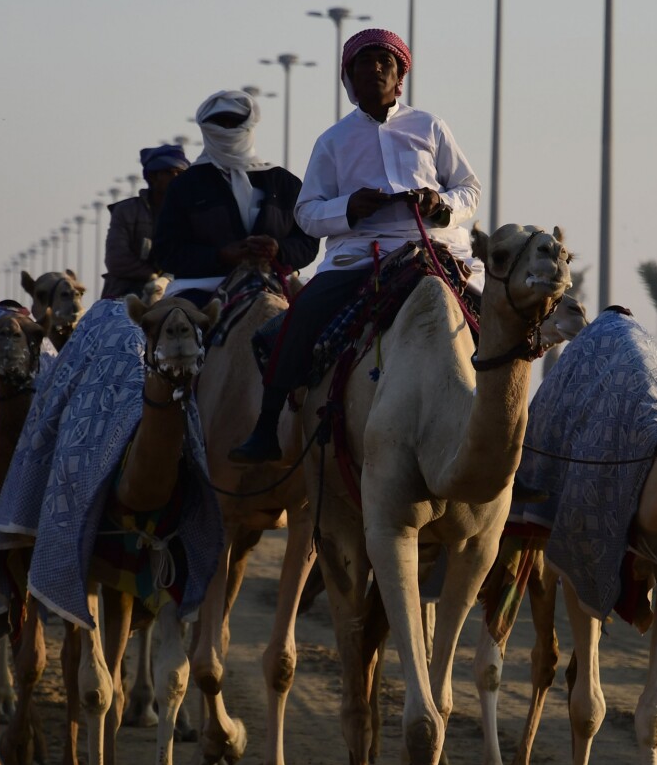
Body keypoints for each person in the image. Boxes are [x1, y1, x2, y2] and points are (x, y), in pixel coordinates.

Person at [229, 28, 482, 463]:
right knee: (302, 316)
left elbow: (469, 189)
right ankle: (267, 427)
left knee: (504, 323)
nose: (375, 69)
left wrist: (439, 203)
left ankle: (517, 446)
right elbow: (307, 212)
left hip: (433, 249)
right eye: (363, 62)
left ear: (400, 73)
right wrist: (350, 207)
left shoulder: (430, 126)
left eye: (385, 61)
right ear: (348, 77)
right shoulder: (332, 141)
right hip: (361, 255)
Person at [152, 90, 318, 309]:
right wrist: (219, 256)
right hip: (202, 290)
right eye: (220, 123)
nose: (228, 129)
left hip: (276, 284)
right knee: (175, 330)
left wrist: (278, 250)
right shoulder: (185, 186)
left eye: (235, 122)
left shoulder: (283, 183)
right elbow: (166, 250)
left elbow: (308, 241)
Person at [101, 143, 189, 299]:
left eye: (180, 172)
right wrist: (152, 276)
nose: (176, 177)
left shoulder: (191, 211)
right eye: (169, 172)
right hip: (125, 294)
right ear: (152, 177)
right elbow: (116, 259)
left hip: (177, 291)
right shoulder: (126, 211)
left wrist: (168, 279)